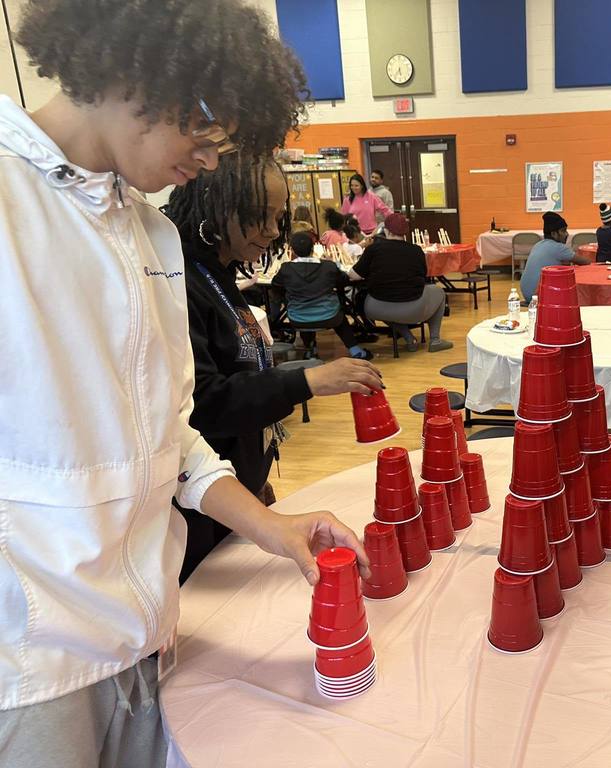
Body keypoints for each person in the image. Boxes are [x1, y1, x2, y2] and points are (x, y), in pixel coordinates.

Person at [0, 0, 371, 764]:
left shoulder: (151, 232)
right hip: (30, 664)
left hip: (149, 627)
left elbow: (171, 433)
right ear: (130, 64)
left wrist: (274, 528)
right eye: (204, 125)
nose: (211, 154)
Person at [166, 155, 384, 581]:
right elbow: (204, 405)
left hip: (240, 487)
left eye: (278, 217)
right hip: (200, 510)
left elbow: (241, 369)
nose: (270, 230)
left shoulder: (219, 271)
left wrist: (257, 478)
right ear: (214, 205)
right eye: (258, 216)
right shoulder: (181, 281)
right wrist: (308, 380)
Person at [349, 213, 454, 352]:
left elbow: (353, 275)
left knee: (387, 310)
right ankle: (435, 339)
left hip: (377, 307)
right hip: (413, 308)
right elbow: (423, 276)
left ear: (385, 230)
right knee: (439, 292)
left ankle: (409, 338)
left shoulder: (373, 249)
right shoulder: (417, 251)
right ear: (405, 232)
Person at [273, 232, 374, 360]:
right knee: (340, 315)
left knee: (305, 312)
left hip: (297, 318)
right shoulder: (328, 266)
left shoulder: (286, 269)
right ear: (313, 248)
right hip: (329, 316)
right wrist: (335, 264)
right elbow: (343, 280)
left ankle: (310, 349)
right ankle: (355, 350)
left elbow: (275, 284)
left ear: (292, 250)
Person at [520, 211, 589, 301]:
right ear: (554, 234)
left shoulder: (538, 244)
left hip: (526, 293)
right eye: (563, 231)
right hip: (539, 295)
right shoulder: (559, 248)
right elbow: (586, 262)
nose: (567, 234)